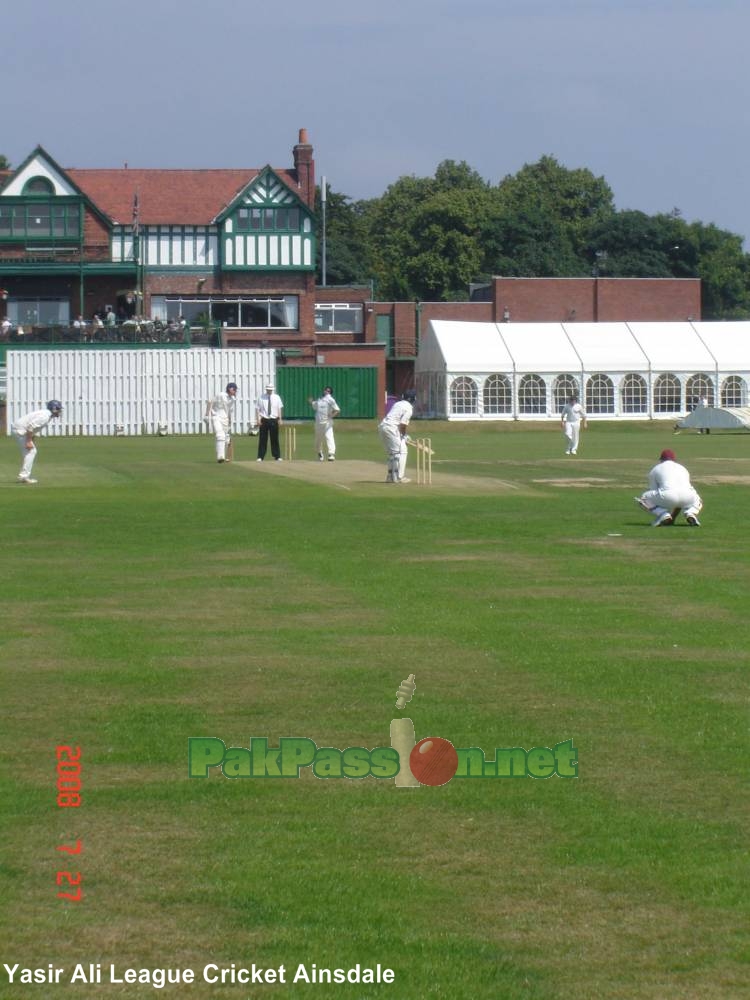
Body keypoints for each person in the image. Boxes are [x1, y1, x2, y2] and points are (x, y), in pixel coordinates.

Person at [634, 449, 702, 527]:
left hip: (668, 495)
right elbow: (680, 495)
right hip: (688, 496)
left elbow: (654, 490)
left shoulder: (656, 469)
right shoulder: (683, 468)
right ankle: (691, 513)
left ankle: (662, 514)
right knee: (697, 498)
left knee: (643, 498)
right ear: (674, 460)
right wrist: (673, 518)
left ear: (661, 459)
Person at [12, 400, 63, 484]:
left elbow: (33, 427)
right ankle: (23, 477)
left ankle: (24, 476)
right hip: (20, 430)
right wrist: (28, 441)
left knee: (30, 452)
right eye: (58, 409)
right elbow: (30, 426)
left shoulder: (46, 414)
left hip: (20, 429)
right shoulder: (45, 416)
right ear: (54, 409)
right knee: (31, 451)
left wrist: (31, 438)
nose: (59, 411)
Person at [379, 389, 416, 484]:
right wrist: (404, 435)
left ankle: (390, 477)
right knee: (401, 451)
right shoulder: (409, 408)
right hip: (392, 428)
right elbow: (403, 424)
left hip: (383, 427)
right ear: (413, 399)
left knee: (393, 453)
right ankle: (399, 477)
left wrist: (402, 435)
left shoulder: (397, 403)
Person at [205, 382, 237, 463]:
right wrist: (206, 415)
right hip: (216, 417)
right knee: (220, 435)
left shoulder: (233, 399)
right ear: (230, 389)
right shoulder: (221, 395)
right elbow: (210, 402)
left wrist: (229, 421)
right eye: (234, 389)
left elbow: (230, 411)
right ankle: (220, 457)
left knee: (226, 439)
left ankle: (221, 456)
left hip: (225, 419)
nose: (235, 391)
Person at [309, 385, 340, 461]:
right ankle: (320, 453)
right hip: (318, 423)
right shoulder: (320, 400)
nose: (326, 391)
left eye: (328, 391)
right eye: (326, 390)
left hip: (327, 423)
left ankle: (331, 454)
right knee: (318, 440)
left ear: (330, 393)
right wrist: (311, 402)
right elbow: (314, 405)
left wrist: (331, 416)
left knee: (329, 437)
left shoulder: (331, 400)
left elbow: (337, 410)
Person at [256, 383, 284, 461]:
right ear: (266, 389)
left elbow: (279, 408)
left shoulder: (277, 397)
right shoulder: (261, 397)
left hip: (274, 419)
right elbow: (257, 409)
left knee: (275, 439)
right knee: (262, 439)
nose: (269, 391)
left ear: (272, 390)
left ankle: (277, 456)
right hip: (264, 419)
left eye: (271, 389)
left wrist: (280, 419)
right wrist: (258, 420)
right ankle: (260, 456)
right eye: (268, 389)